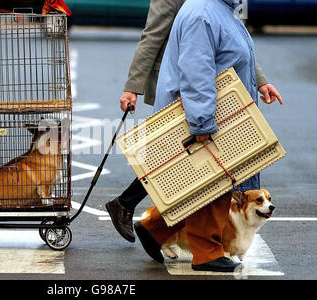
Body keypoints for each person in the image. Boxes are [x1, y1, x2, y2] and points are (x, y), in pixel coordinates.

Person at [106, 0, 282, 244]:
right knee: (181, 162)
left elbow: (238, 38)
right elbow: (153, 37)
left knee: (191, 164)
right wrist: (132, 88)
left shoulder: (233, 2)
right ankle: (140, 214)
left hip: (217, 89)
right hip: (185, 88)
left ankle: (148, 222)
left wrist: (259, 80)